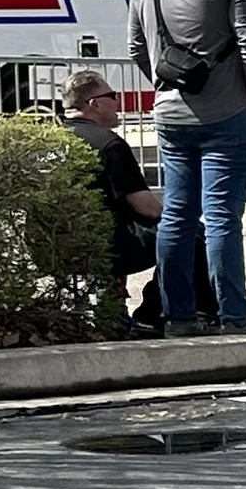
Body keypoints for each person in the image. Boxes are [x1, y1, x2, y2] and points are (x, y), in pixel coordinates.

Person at [127, 0, 246, 334]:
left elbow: (136, 47)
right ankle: (233, 315)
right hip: (227, 114)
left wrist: (167, 85)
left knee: (177, 216)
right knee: (222, 218)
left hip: (171, 115)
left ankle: (178, 316)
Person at [59, 66, 163, 328]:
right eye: (113, 95)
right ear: (94, 104)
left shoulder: (49, 138)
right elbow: (148, 209)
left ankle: (109, 309)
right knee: (192, 234)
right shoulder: (107, 144)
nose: (118, 102)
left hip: (49, 243)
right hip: (103, 244)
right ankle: (159, 311)